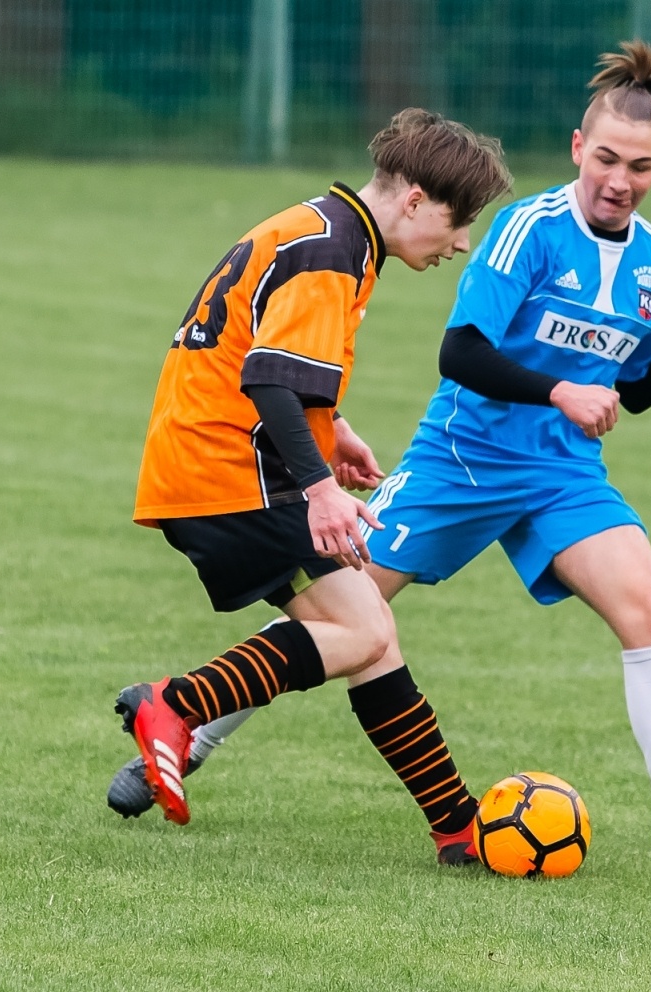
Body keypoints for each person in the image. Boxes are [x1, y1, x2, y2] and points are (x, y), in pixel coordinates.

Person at [134, 43, 651, 864]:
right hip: (461, 461)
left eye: (639, 166)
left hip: (563, 476)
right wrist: (558, 391)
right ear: (579, 147)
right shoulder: (525, 230)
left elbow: (635, 390)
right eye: (607, 158)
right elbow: (459, 352)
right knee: (348, 609)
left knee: (650, 609)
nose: (620, 179)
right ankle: (186, 736)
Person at [105, 107, 512, 867]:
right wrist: (321, 487)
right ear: (415, 199)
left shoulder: (326, 227)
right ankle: (177, 704)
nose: (461, 243)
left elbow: (264, 349)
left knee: (369, 627)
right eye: (459, 222)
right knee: (362, 631)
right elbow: (267, 378)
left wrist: (335, 426)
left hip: (211, 463)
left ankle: (456, 827)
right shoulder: (334, 251)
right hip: (231, 472)